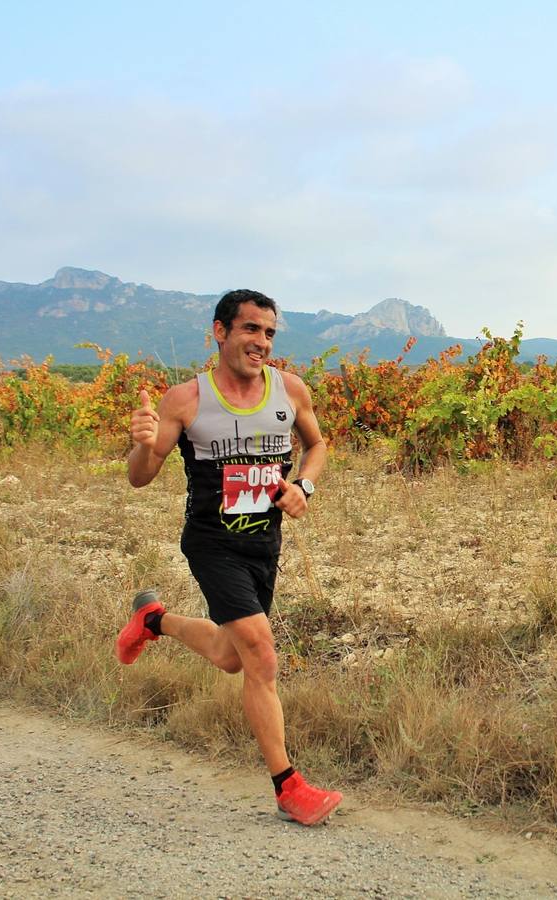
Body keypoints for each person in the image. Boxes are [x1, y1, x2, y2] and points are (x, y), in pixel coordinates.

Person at [116, 288, 341, 826]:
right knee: (261, 655)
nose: (261, 342)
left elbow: (318, 446)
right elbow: (139, 477)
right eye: (249, 330)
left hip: (263, 543)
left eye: (269, 333)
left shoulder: (290, 390)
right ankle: (290, 788)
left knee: (229, 655)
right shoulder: (185, 400)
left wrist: (303, 489)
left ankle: (153, 620)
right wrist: (144, 444)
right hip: (211, 543)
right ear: (220, 332)